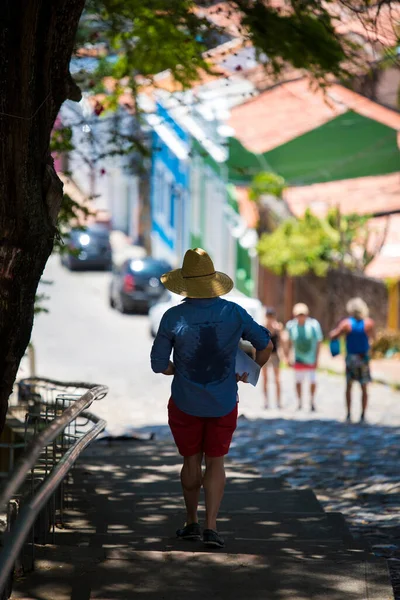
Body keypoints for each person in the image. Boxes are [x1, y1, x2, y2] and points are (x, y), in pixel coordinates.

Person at [151, 248, 273, 549]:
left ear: (184, 282)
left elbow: (158, 364)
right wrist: (250, 370)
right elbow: (265, 343)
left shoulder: (172, 316)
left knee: (190, 461)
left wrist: (175, 370)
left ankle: (190, 521)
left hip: (184, 402)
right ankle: (211, 527)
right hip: (224, 401)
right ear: (212, 280)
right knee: (216, 462)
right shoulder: (233, 312)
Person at [329, 297, 375, 423]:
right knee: (364, 387)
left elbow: (333, 335)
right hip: (363, 358)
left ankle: (349, 414)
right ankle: (363, 415)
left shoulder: (346, 323)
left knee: (349, 386)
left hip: (351, 358)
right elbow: (372, 339)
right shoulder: (368, 323)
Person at [285, 303, 323, 412]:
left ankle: (312, 401)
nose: (301, 317)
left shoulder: (313, 325)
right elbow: (288, 341)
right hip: (298, 358)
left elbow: (318, 341)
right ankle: (300, 402)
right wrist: (288, 356)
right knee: (298, 381)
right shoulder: (291, 326)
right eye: (298, 315)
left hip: (311, 358)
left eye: (303, 315)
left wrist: (317, 358)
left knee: (312, 381)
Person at [262, 307, 283, 409]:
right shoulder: (262, 327)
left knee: (277, 379)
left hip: (274, 354)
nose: (270, 318)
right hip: (265, 354)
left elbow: (282, 342)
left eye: (272, 316)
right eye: (268, 316)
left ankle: (278, 402)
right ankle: (266, 401)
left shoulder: (278, 328)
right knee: (265, 379)